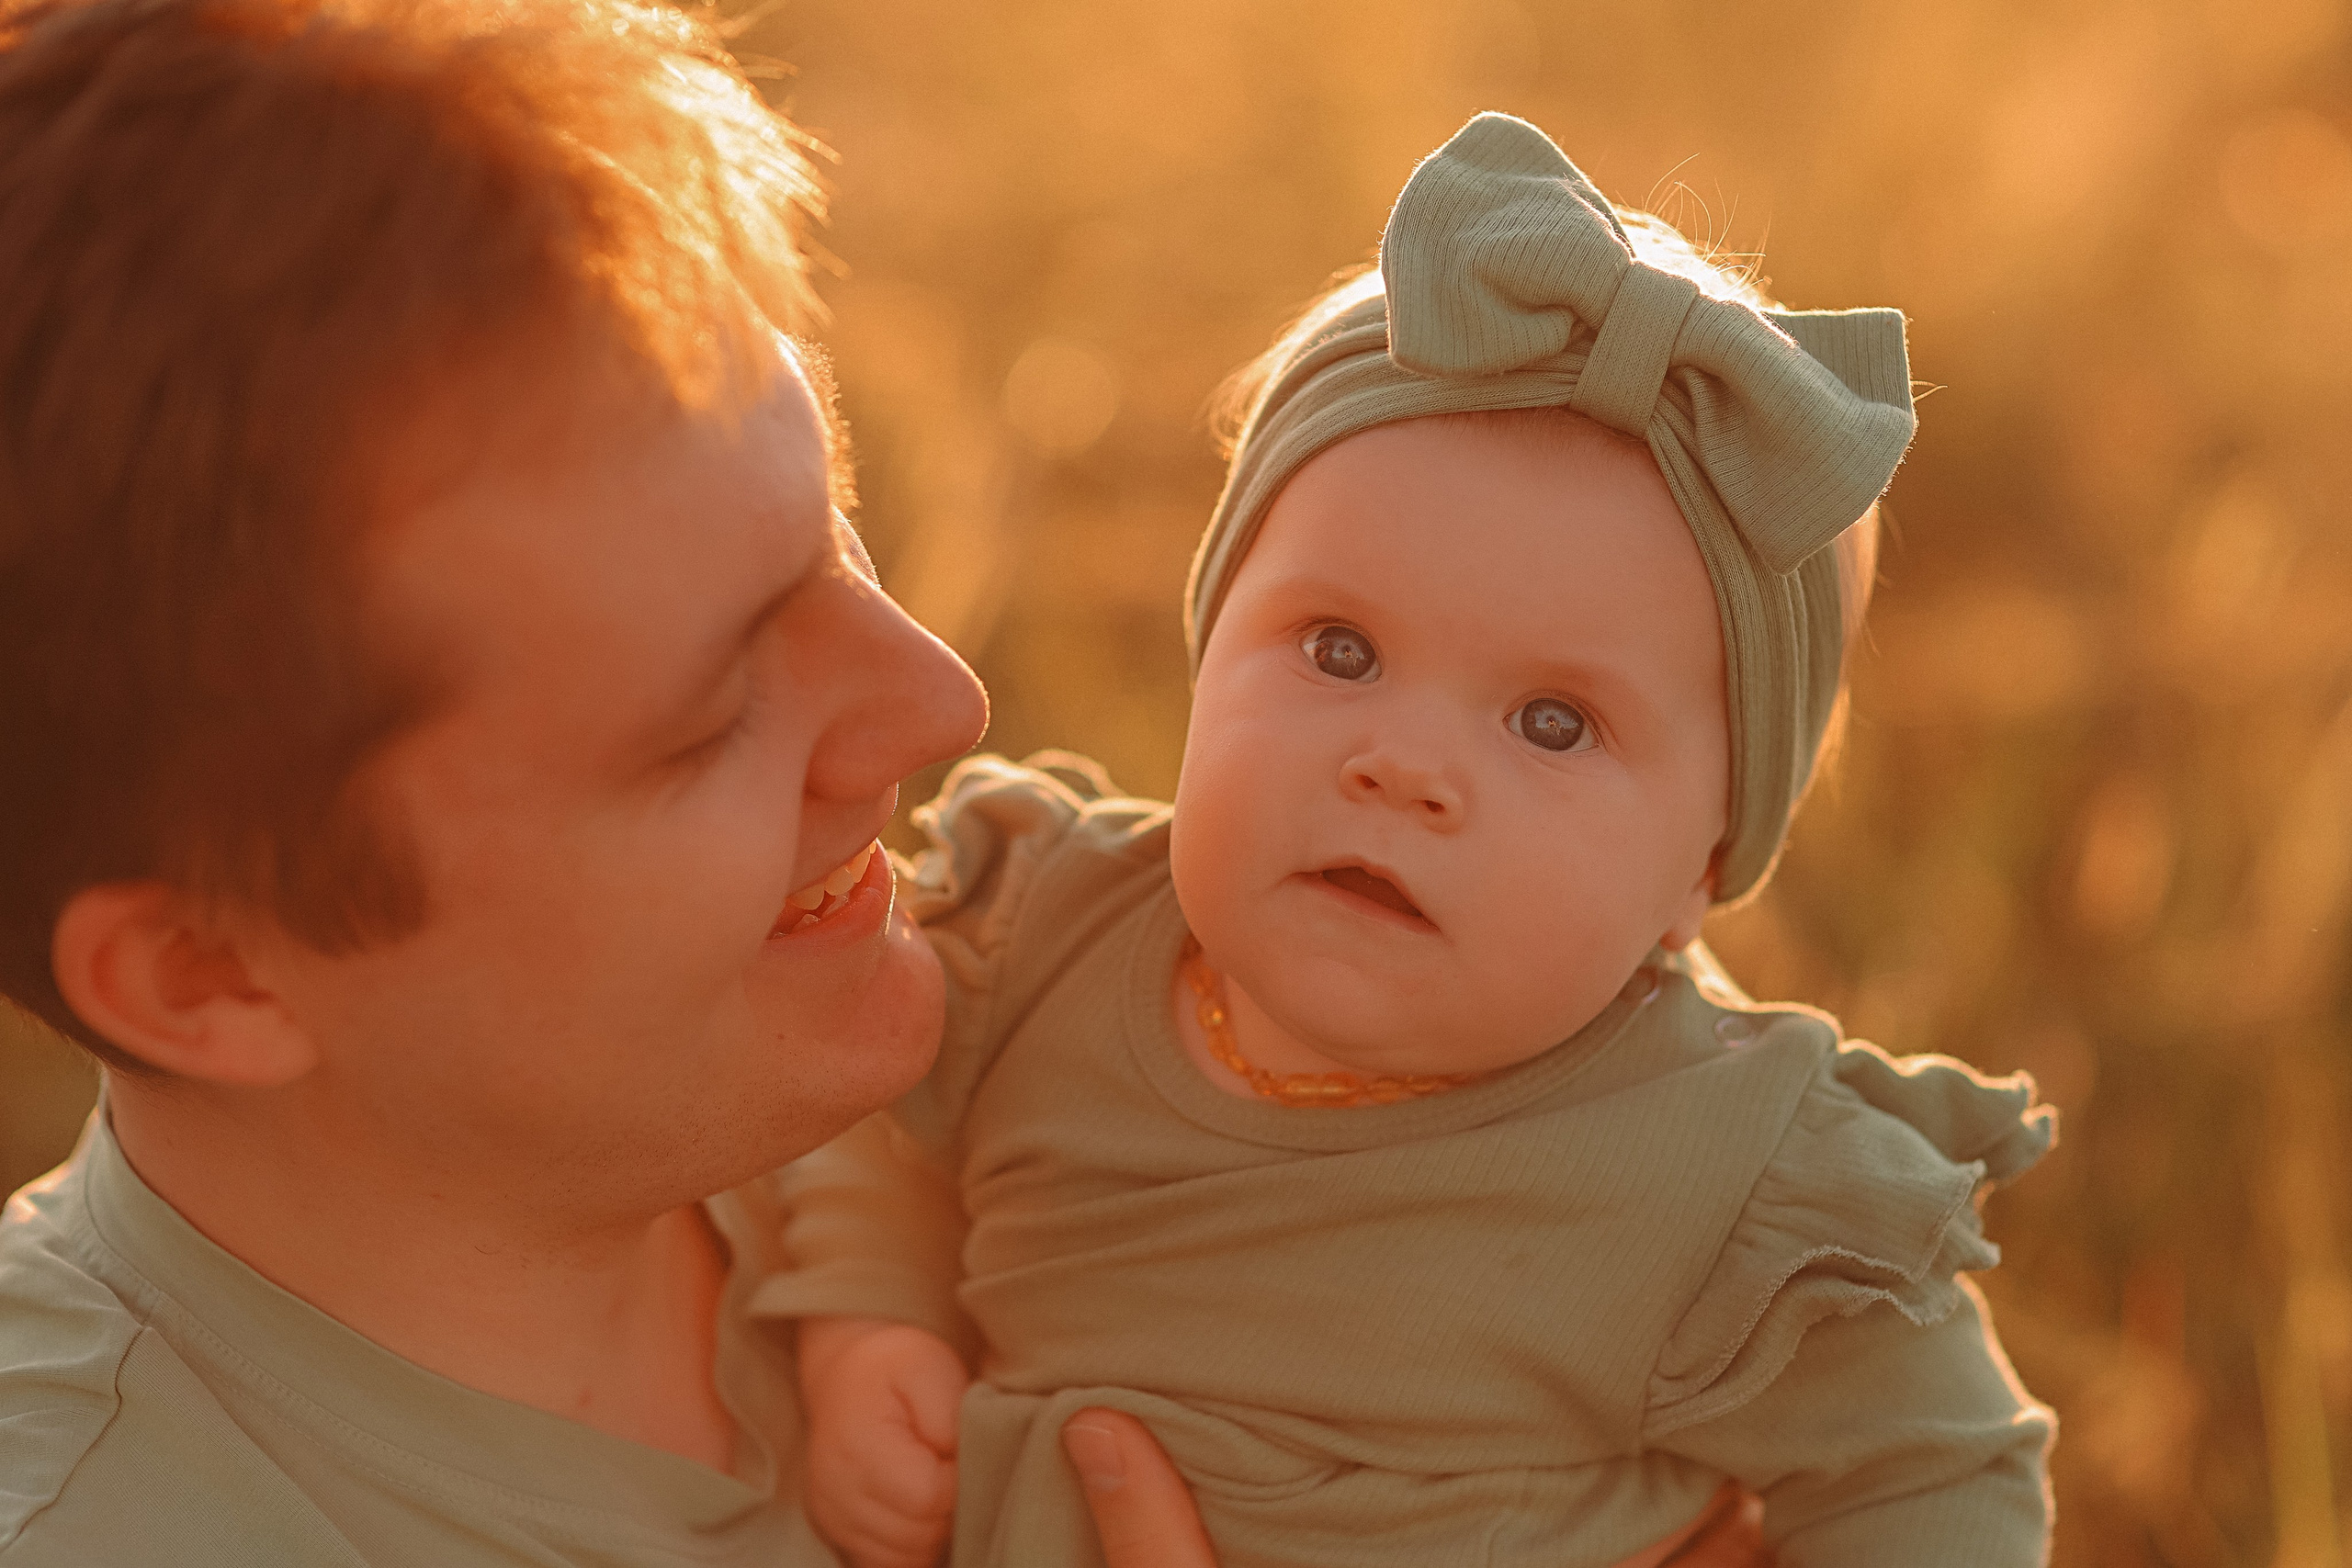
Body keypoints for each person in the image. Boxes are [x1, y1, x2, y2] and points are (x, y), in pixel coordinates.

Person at [0, 3, 1772, 1563]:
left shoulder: (1070, 1048)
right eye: (704, 719)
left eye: (833, 525)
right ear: (209, 974)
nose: (939, 701)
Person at [774, 115, 2059, 1568]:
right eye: (1337, 648)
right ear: (1209, 651)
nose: (1404, 766)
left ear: (1701, 873)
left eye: (1554, 725)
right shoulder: (1043, 934)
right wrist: (866, 1318)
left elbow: (1936, 1477)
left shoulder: (1719, 1175)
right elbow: (881, 1127)